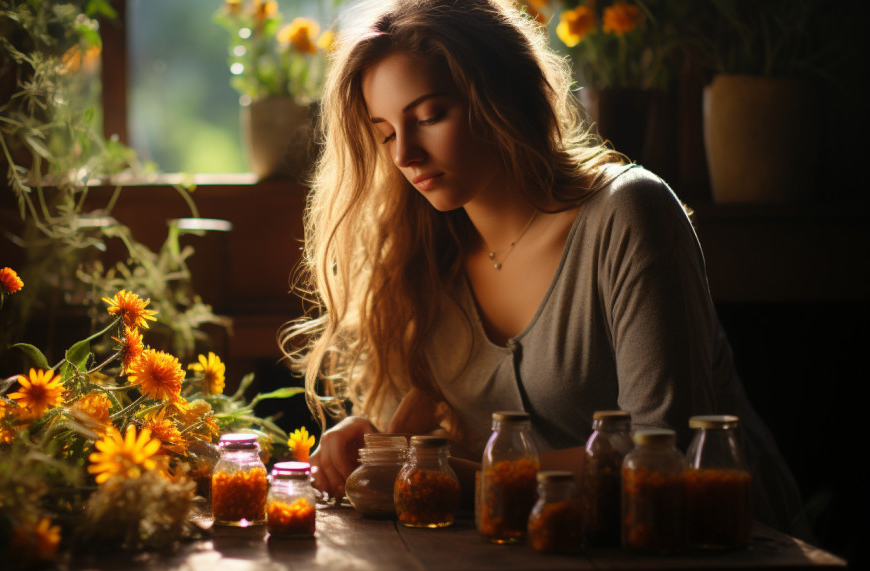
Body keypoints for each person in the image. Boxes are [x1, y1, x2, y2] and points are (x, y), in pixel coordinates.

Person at [279, 0, 806, 536]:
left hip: (710, 544)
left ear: (503, 95)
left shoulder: (630, 213)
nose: (405, 155)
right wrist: (373, 441)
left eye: (430, 115)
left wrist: (479, 478)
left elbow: (660, 448)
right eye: (387, 133)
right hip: (540, 546)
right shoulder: (421, 260)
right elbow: (418, 432)